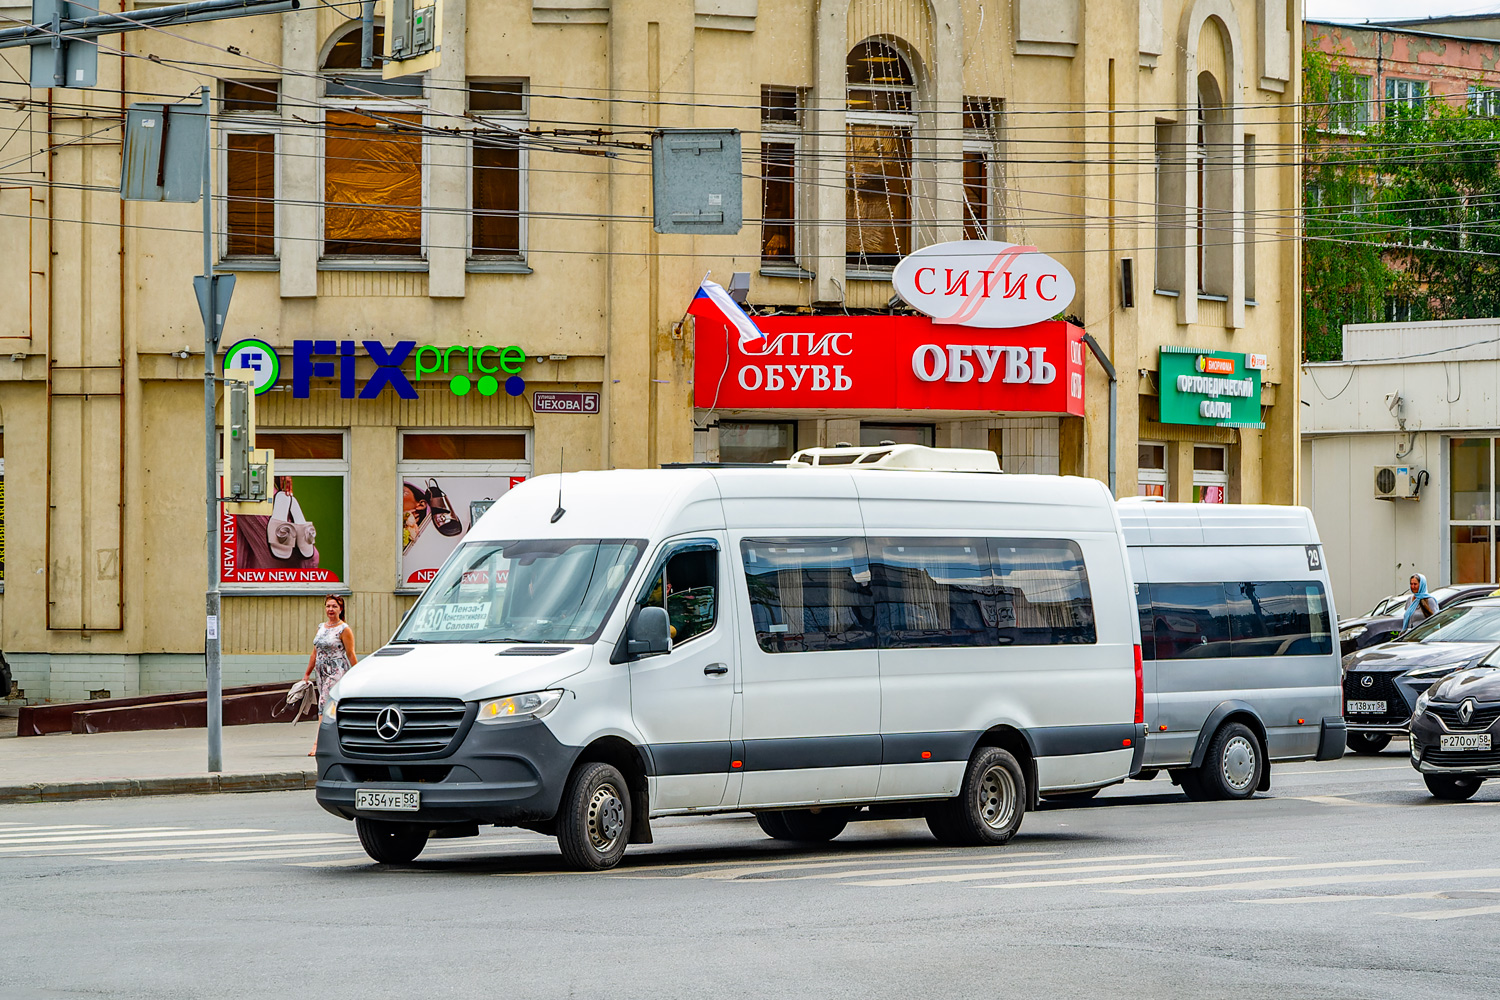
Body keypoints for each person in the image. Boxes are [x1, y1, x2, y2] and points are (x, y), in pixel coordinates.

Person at [303, 595, 356, 755]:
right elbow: (314, 653)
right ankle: (343, 739)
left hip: (336, 670)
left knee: (323, 703)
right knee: (331, 706)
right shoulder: (321, 627)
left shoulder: (344, 629)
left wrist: (357, 672)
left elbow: (350, 653)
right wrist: (307, 674)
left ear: (341, 609)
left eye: (334, 606)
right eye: (328, 606)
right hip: (321, 672)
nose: (331, 610)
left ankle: (317, 744)